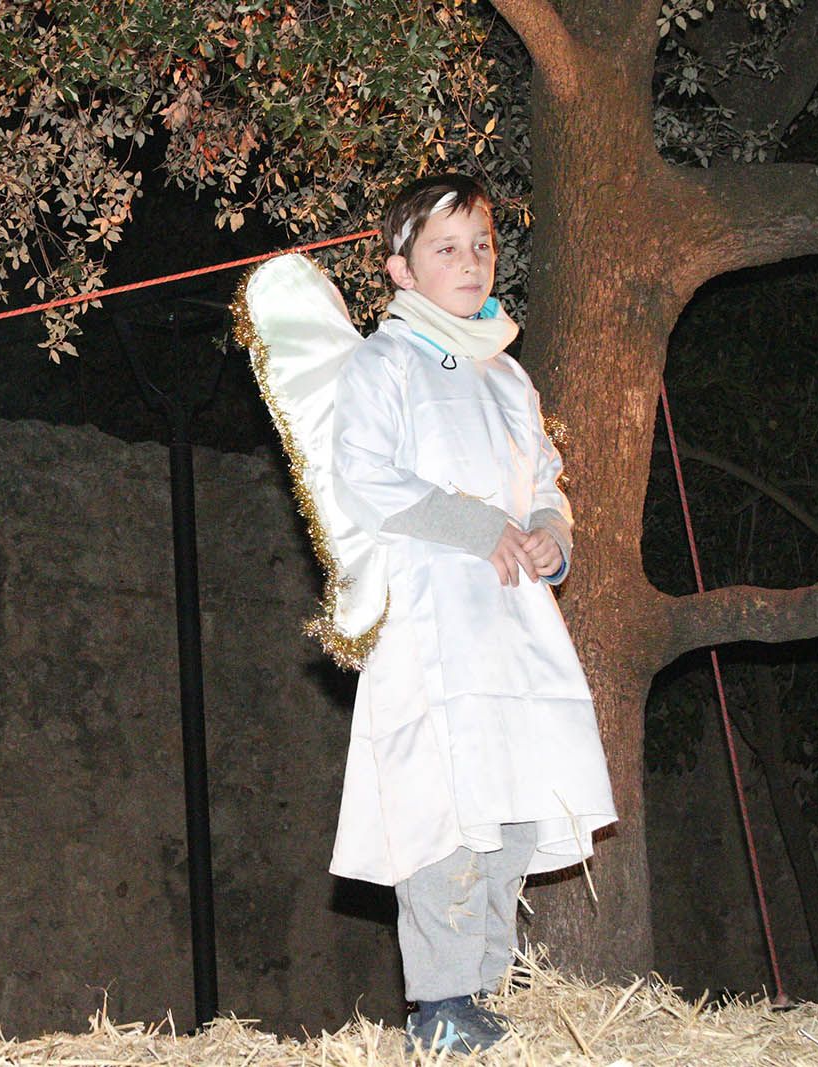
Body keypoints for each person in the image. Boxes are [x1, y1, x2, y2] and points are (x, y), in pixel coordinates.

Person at [325, 175, 618, 1052]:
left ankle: (486, 987)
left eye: (482, 244)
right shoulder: (384, 362)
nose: (470, 261)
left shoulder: (509, 373)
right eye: (445, 248)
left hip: (515, 625)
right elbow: (364, 476)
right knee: (445, 807)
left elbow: (547, 478)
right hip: (433, 622)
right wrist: (474, 523)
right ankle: (443, 1001)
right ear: (401, 270)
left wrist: (548, 535)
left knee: (513, 804)